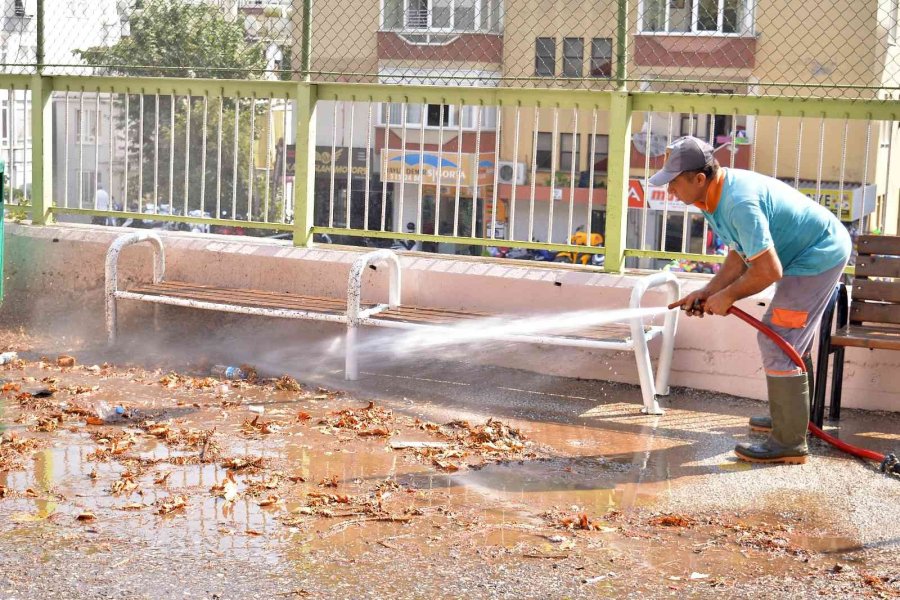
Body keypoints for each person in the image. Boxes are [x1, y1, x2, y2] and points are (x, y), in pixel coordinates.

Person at [656, 136, 851, 465]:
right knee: (789, 339)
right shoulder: (713, 195)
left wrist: (728, 296)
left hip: (818, 256)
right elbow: (740, 254)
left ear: (699, 178)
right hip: (804, 253)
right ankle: (790, 418)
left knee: (779, 339)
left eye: (673, 183)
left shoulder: (738, 203)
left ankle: (790, 442)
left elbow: (768, 270)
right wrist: (709, 291)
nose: (670, 191)